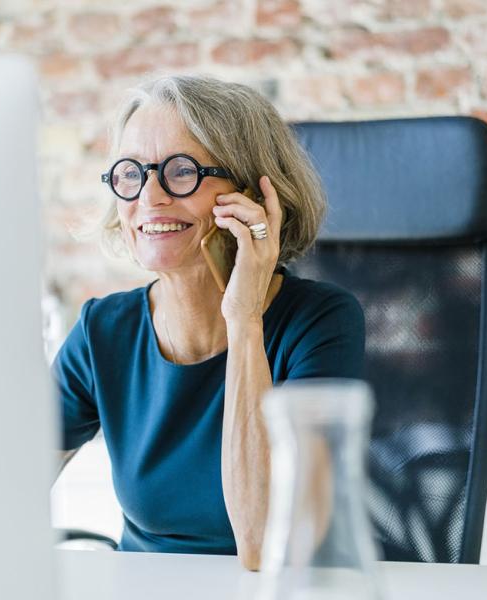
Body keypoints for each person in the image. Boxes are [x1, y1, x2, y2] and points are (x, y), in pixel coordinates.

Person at [52, 75, 364, 571]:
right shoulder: (102, 331)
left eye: (181, 172)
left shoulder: (320, 322)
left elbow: (263, 545)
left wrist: (243, 320)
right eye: (131, 173)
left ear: (255, 194)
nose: (149, 197)